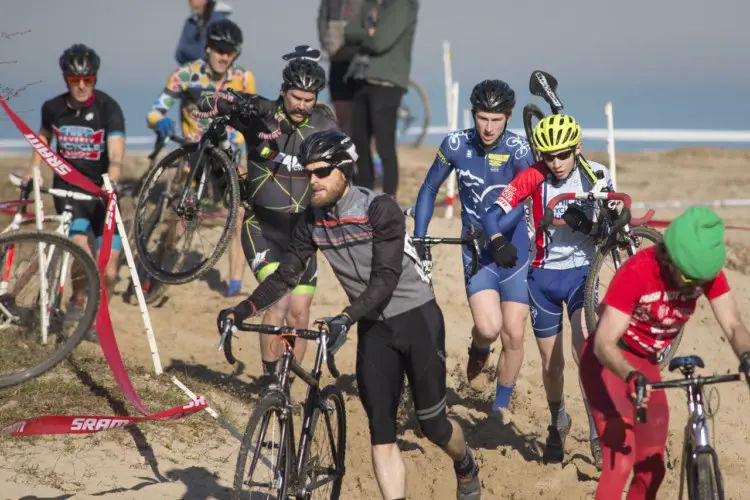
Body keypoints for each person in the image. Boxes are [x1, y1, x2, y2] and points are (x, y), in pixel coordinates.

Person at [218, 130, 482, 500]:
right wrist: (241, 309)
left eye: (322, 172)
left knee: (433, 426)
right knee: (381, 432)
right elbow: (286, 274)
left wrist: (345, 316)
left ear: (344, 169)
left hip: (416, 317)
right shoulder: (311, 220)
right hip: (373, 326)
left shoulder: (378, 209)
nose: (313, 181)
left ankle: (466, 463)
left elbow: (386, 279)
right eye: (308, 173)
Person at [580, 207, 750, 499]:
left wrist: (746, 356)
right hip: (608, 362)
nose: (696, 286)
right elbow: (604, 342)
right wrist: (629, 374)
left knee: (652, 467)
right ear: (670, 256)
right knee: (620, 460)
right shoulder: (637, 272)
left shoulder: (701, 272)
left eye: (702, 280)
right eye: (689, 280)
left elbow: (734, 325)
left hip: (645, 362)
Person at [206, 45, 338, 381]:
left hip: (302, 234)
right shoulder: (261, 114)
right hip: (261, 228)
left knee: (300, 311)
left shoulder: (324, 122)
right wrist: (229, 100)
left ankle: (287, 380)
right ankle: (269, 379)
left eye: (309, 99)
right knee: (277, 303)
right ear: (283, 92)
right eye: (296, 97)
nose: (302, 106)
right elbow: (206, 105)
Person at [482, 113, 607, 467]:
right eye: (548, 155)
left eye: (563, 155)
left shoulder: (596, 174)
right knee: (552, 366)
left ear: (577, 148)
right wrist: (496, 240)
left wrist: (595, 222)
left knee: (585, 351)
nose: (556, 163)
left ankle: (598, 432)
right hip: (542, 279)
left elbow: (613, 223)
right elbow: (492, 212)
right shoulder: (533, 176)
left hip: (583, 273)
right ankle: (558, 421)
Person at [414, 80, 534, 413]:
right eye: (483, 118)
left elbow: (523, 199)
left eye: (496, 120)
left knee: (513, 333)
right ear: (473, 114)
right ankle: (479, 349)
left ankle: (500, 408)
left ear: (508, 117)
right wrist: (420, 236)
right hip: (477, 251)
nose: (488, 127)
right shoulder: (455, 144)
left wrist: (496, 235)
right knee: (488, 327)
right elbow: (428, 189)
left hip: (515, 251)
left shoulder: (520, 150)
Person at [147, 18, 255, 297]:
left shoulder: (243, 79)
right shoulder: (185, 74)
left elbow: (251, 122)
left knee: (239, 215)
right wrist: (160, 123)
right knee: (182, 219)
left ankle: (234, 285)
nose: (223, 56)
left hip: (229, 156)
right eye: (218, 49)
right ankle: (156, 267)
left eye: (230, 52)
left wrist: (237, 140)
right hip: (194, 157)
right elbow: (156, 110)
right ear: (207, 47)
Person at [29, 43, 125, 341]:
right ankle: (78, 299)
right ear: (65, 79)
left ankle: (98, 315)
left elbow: (117, 154)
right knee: (82, 254)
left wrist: (114, 180)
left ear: (95, 78)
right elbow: (41, 147)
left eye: (88, 80)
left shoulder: (109, 108)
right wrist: (33, 178)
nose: (81, 86)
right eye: (75, 80)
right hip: (70, 194)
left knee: (109, 271)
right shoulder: (53, 108)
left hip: (103, 195)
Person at [344, 0, 418, 198]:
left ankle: (389, 199)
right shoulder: (370, 4)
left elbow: (380, 43)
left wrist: (369, 35)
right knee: (359, 141)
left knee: (384, 145)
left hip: (387, 83)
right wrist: (368, 34)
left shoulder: (403, 5)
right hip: (360, 78)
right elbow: (348, 33)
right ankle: (364, 194)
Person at [317, 0, 362, 137]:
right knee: (342, 111)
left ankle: (369, 152)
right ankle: (346, 147)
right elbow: (322, 20)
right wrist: (328, 46)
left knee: (362, 115)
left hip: (361, 61)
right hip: (338, 59)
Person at [175, 0, 234, 66]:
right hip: (191, 71)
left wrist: (192, 55)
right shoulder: (191, 22)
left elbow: (210, 53)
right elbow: (179, 54)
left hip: (211, 72)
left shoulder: (218, 21)